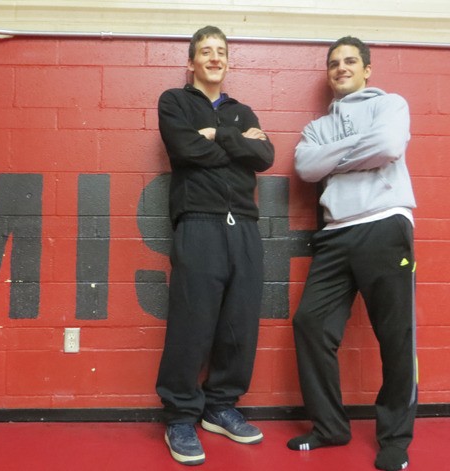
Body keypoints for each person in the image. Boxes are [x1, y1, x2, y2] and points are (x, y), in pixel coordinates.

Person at [288, 36, 418, 471]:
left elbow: (388, 146)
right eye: (334, 63)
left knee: (395, 337)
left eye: (350, 61)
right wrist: (355, 152)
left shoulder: (390, 105)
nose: (341, 67)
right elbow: (307, 167)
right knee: (309, 323)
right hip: (335, 233)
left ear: (366, 70)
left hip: (385, 225)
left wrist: (335, 160)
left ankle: (395, 439)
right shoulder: (315, 128)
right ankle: (331, 426)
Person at [155, 25, 275, 466]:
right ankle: (181, 415)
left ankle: (221, 406)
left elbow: (265, 158)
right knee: (193, 322)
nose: (214, 57)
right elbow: (185, 150)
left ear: (227, 61)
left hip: (243, 226)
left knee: (239, 324)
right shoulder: (174, 102)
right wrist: (238, 143)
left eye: (221, 51)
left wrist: (216, 134)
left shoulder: (242, 110)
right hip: (199, 223)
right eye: (205, 51)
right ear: (191, 63)